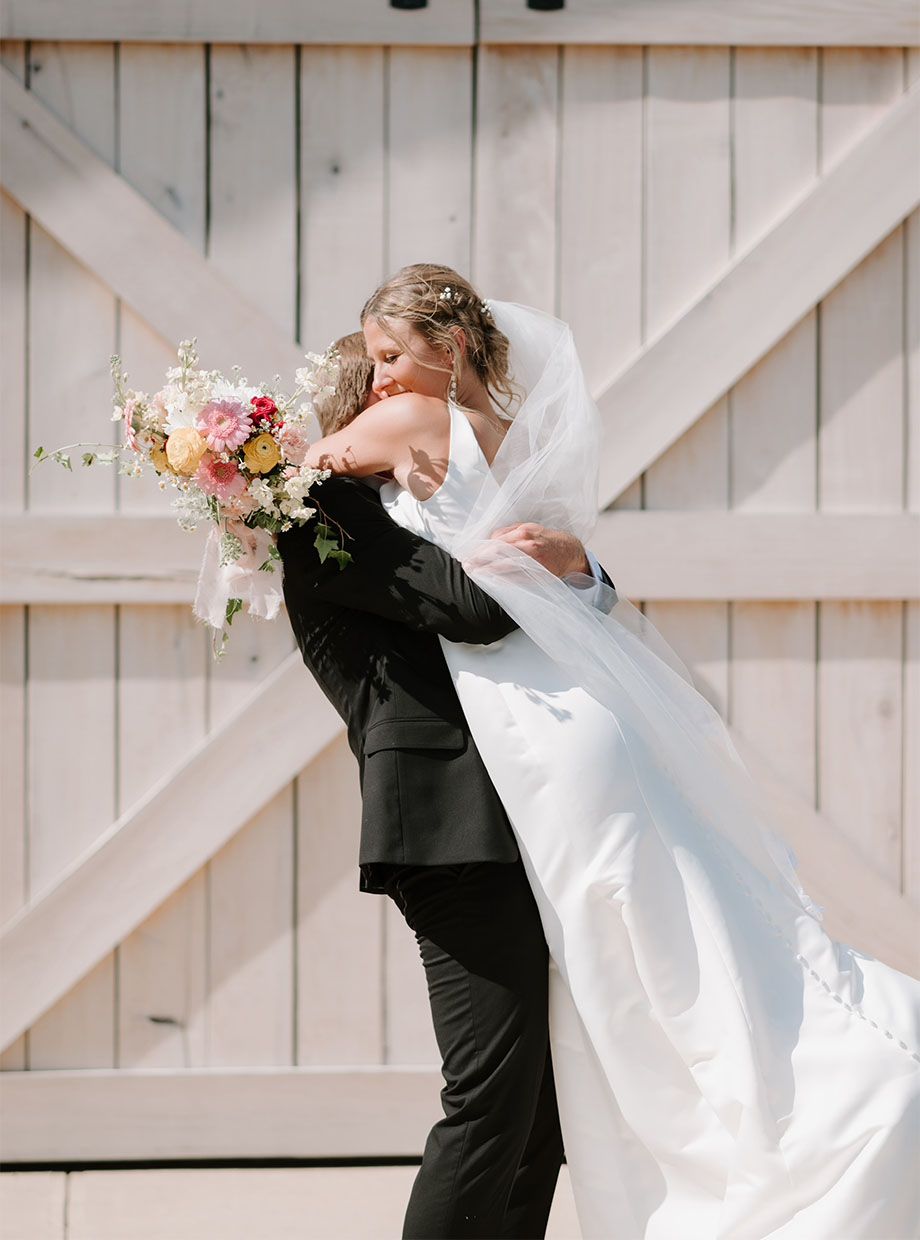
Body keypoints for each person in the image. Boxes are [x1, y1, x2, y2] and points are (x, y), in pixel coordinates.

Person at [298, 264, 920, 1239]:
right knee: (614, 997)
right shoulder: (510, 444)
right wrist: (568, 567)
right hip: (567, 717)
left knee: (524, 1076)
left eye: (389, 355)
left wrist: (242, 481)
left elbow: (292, 477)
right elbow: (549, 575)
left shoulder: (399, 430)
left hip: (531, 739)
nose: (380, 381)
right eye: (369, 366)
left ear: (446, 347)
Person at [277, 331, 615, 1239]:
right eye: (405, 413)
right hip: (446, 826)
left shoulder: (410, 513)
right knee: (489, 1101)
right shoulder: (325, 520)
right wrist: (535, 553)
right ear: (370, 421)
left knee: (539, 1116)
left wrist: (578, 564)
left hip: (515, 816)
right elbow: (470, 606)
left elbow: (543, 605)